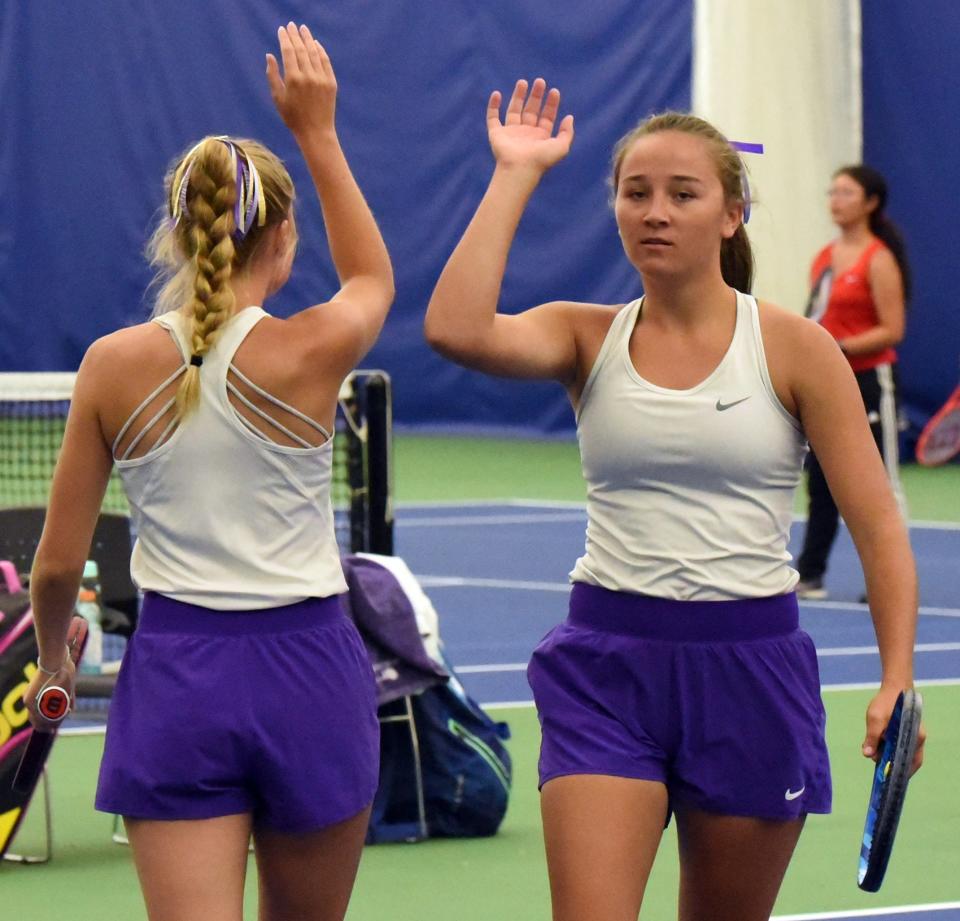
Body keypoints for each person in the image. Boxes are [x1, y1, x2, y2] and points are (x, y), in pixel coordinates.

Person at [424, 79, 925, 921]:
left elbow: (877, 526)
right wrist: (515, 172)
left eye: (682, 194)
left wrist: (897, 678)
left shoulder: (796, 348)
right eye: (636, 193)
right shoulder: (586, 335)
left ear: (732, 215)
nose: (654, 211)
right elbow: (455, 327)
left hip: (751, 669)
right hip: (606, 668)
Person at [24, 23, 393, 921]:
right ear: (285, 238)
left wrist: (46, 658)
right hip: (312, 672)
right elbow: (373, 276)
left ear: (179, 232)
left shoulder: (112, 366)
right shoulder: (314, 350)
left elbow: (56, 568)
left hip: (178, 678)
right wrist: (319, 132)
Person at [797, 165, 910, 599]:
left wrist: (841, 347)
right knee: (821, 479)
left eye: (846, 193)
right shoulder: (824, 257)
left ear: (870, 203)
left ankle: (890, 580)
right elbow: (816, 317)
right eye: (832, 192)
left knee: (880, 481)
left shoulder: (878, 258)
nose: (836, 200)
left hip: (871, 381)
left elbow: (892, 328)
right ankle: (809, 574)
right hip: (828, 381)